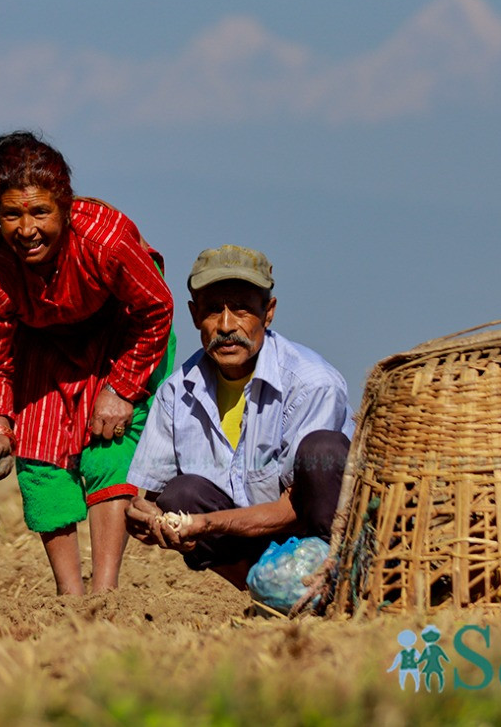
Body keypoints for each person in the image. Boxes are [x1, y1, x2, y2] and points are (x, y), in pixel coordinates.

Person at [0, 131, 174, 595]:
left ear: (65, 206)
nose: (26, 230)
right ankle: (70, 598)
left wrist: (121, 388)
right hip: (43, 343)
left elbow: (156, 309)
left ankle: (104, 595)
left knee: (108, 447)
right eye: (11, 215)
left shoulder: (106, 238)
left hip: (125, 333)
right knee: (40, 456)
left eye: (40, 212)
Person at [125, 245, 353, 590]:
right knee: (180, 493)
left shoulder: (312, 382)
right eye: (214, 310)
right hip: (246, 546)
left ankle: (335, 586)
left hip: (311, 534)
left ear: (269, 312)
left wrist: (204, 524)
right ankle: (261, 591)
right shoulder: (176, 392)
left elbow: (294, 508)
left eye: (243, 309)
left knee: (324, 449)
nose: (227, 325)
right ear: (193, 314)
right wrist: (148, 521)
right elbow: (154, 500)